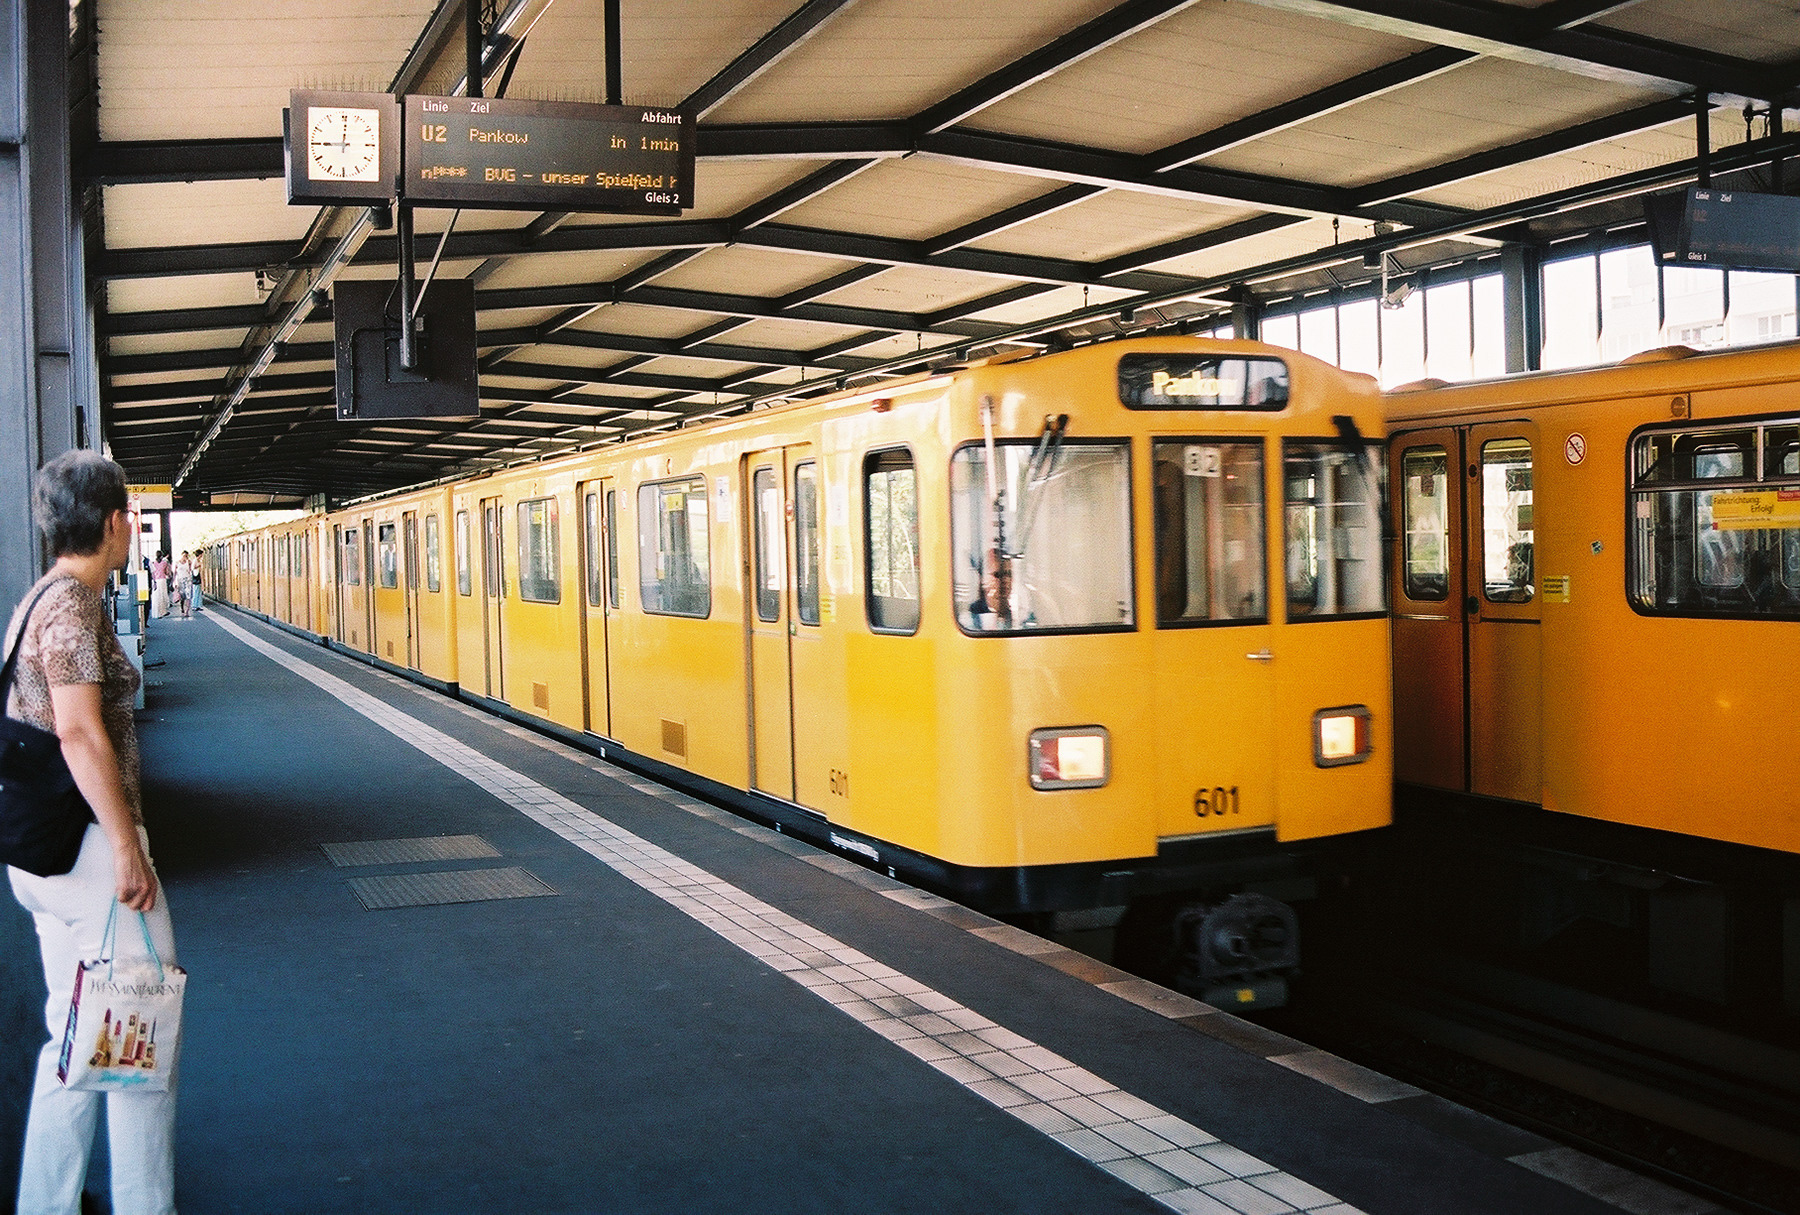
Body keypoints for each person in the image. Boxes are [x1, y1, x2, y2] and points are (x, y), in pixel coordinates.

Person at [5, 451, 178, 1215]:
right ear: (112, 522)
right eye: (130, 516)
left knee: (75, 1036)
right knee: (138, 1029)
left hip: (42, 856)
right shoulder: (72, 604)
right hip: (85, 857)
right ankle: (147, 1205)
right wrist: (125, 846)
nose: (133, 528)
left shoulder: (37, 598)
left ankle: (47, 1201)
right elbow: (79, 733)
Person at [171, 552, 193, 620]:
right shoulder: (177, 563)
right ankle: (182, 609)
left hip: (188, 580)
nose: (185, 557)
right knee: (182, 596)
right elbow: (175, 572)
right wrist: (173, 582)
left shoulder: (189, 562)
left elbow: (190, 571)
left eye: (186, 556)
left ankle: (187, 611)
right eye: (184, 555)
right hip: (180, 581)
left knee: (188, 596)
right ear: (181, 556)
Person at [148, 552, 170, 619]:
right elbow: (166, 572)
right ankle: (163, 611)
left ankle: (155, 613)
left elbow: (151, 573)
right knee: (162, 596)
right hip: (162, 580)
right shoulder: (164, 563)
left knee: (156, 597)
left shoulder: (153, 563)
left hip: (155, 580)